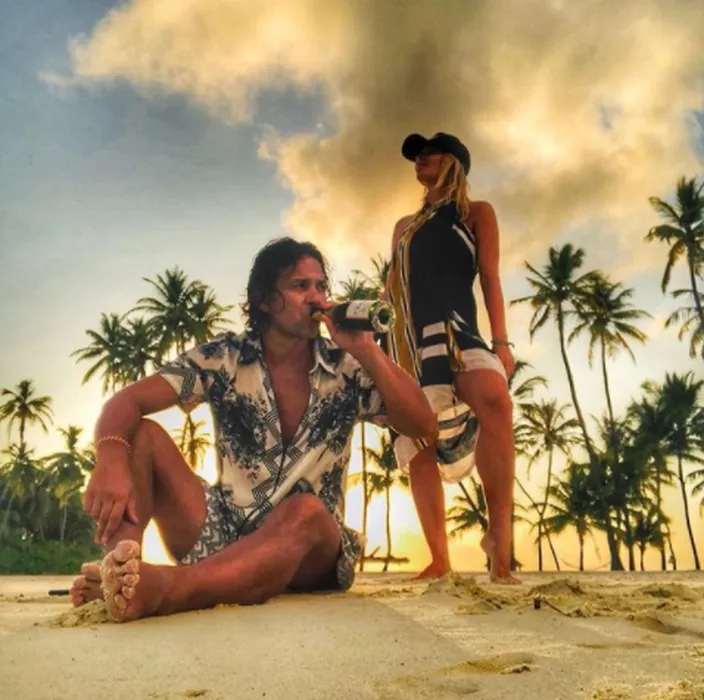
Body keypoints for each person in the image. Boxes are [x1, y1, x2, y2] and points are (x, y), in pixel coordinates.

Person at [70, 237, 437, 622]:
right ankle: (122, 576)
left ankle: (169, 588)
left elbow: (423, 424)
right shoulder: (224, 359)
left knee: (306, 510)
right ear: (264, 300)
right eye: (300, 286)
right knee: (140, 436)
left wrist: (366, 349)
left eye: (321, 286)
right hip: (223, 533)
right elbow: (127, 401)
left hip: (309, 554)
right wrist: (110, 458)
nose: (316, 297)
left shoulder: (348, 367)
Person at [382, 132, 519, 583]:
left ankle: (499, 542)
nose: (419, 158)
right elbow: (390, 288)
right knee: (418, 437)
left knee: (496, 401)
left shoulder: (476, 213)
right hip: (409, 340)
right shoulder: (404, 227)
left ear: (454, 162)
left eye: (430, 152)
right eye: (416, 155)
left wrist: (501, 343)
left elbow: (490, 277)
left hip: (457, 328)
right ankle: (439, 558)